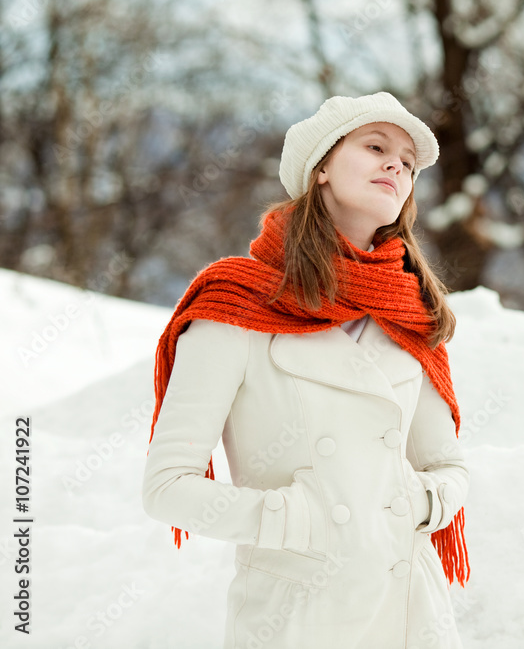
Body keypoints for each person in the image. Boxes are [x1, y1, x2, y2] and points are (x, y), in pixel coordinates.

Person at [141, 91, 470, 649]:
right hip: (295, 619)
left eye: (408, 163)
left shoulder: (411, 312)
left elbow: (447, 468)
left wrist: (409, 505)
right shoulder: (236, 304)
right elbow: (167, 488)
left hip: (413, 614)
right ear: (320, 167)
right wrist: (297, 521)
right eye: (375, 146)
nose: (396, 165)